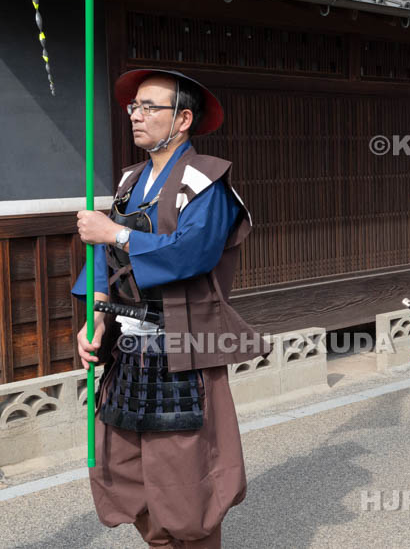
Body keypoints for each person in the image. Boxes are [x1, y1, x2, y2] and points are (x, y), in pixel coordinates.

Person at [73, 69, 265, 548]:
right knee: (127, 464)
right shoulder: (129, 182)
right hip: (127, 345)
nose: (136, 115)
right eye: (133, 107)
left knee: (184, 471)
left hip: (181, 342)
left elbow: (191, 252)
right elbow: (104, 260)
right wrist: (94, 317)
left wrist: (113, 232)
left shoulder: (208, 180)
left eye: (148, 107)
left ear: (181, 119)